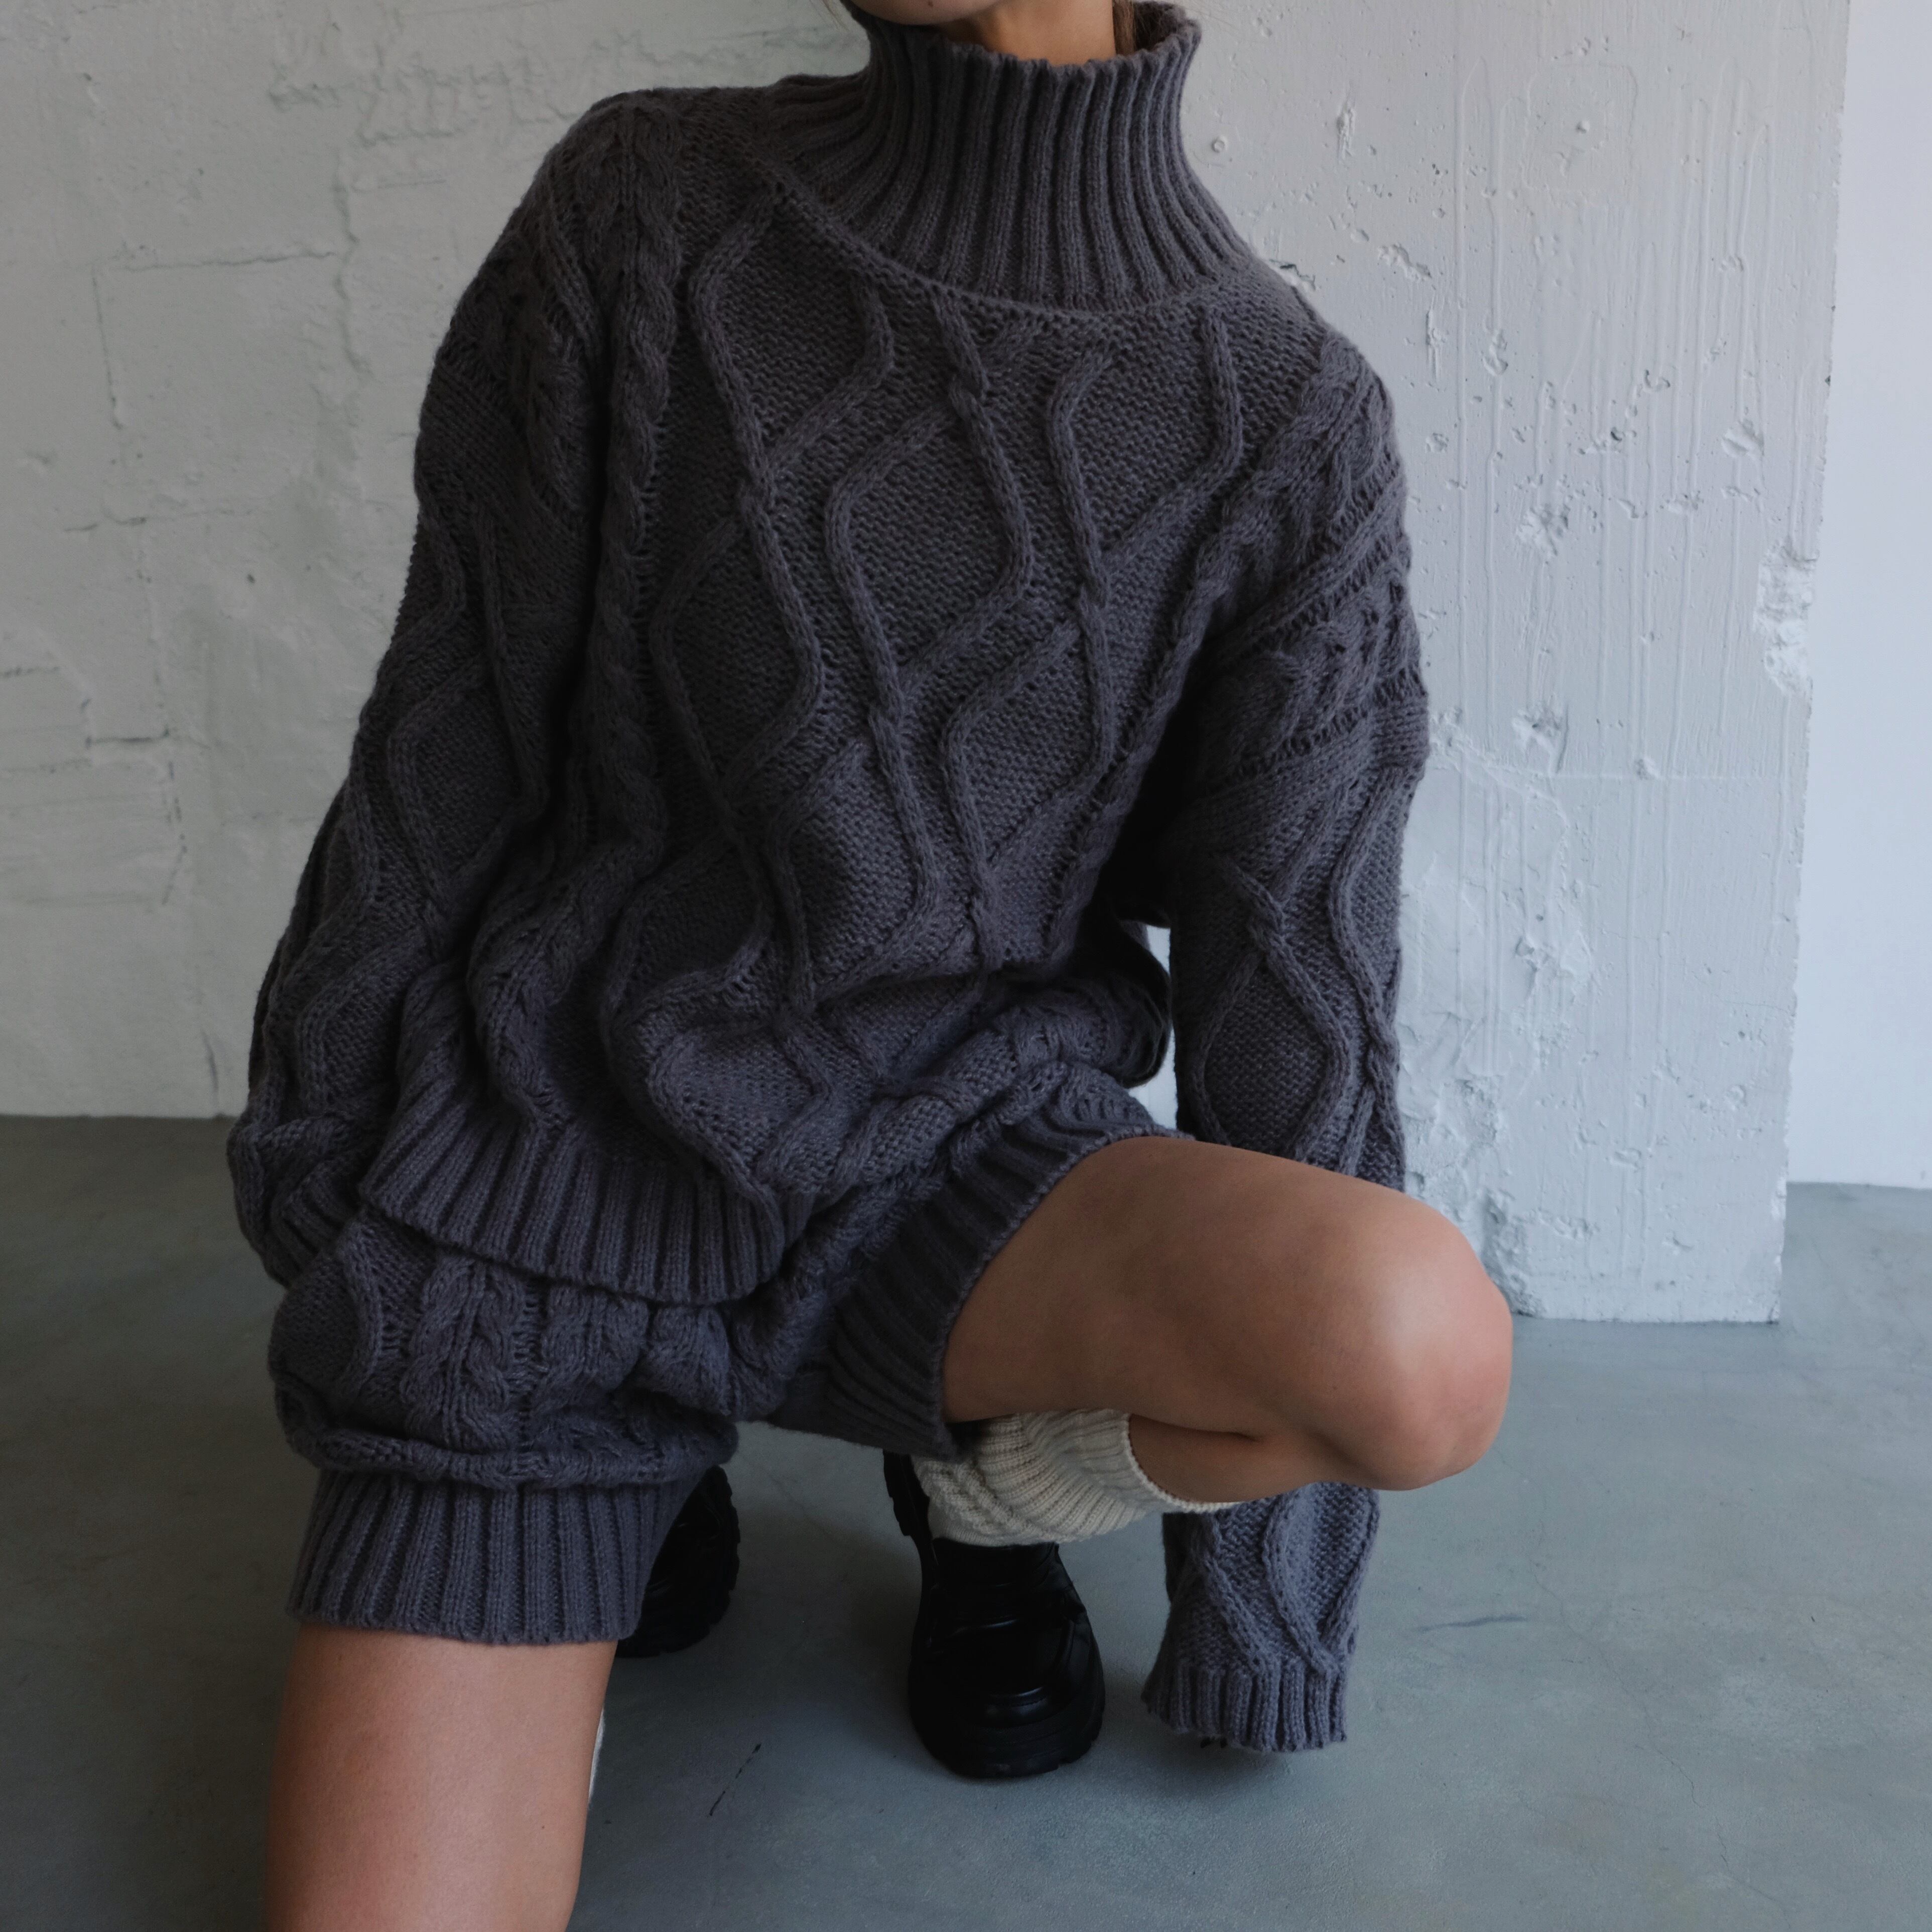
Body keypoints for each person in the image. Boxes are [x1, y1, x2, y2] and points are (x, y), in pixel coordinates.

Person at [228, 0, 1515, 1924]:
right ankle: (638, 1484)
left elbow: (1295, 1001)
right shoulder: (643, 206)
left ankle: (974, 1486)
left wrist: (1260, 1614)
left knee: (1415, 1341)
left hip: (951, 1175)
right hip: (549, 1179)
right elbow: (457, 721)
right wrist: (324, 1149)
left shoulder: (1281, 413)